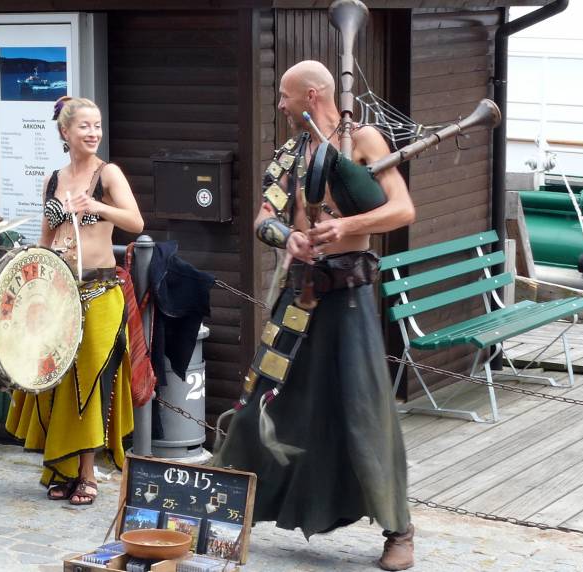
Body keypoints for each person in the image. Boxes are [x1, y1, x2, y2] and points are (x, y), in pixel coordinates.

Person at [214, 60, 416, 570]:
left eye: (284, 97)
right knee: (260, 395)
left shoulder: (365, 140)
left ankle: (399, 529)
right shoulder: (289, 154)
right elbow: (264, 218)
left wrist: (350, 224)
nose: (279, 106)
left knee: (364, 405)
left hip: (347, 294)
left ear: (309, 95)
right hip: (298, 292)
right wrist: (291, 237)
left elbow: (402, 209)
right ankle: (222, 504)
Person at [6, 96, 144, 506]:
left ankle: (87, 472)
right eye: (84, 126)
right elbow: (45, 241)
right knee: (55, 380)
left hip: (101, 291)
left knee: (90, 381)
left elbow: (136, 222)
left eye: (97, 125)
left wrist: (97, 205)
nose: (93, 133)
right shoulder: (54, 180)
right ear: (65, 133)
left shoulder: (108, 174)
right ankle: (60, 469)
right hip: (61, 293)